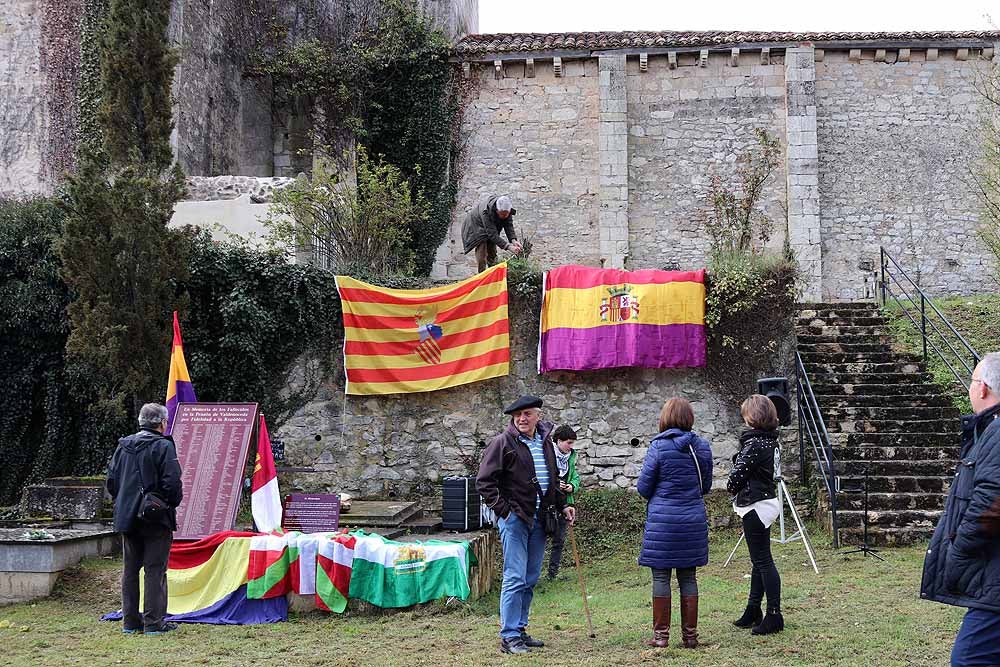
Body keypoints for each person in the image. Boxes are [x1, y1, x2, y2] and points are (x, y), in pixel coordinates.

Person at [477, 395, 575, 655]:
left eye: (528, 414)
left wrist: (563, 505)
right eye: (518, 415)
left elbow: (552, 479)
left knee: (530, 578)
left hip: (540, 519)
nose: (522, 418)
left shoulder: (546, 442)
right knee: (514, 577)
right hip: (515, 521)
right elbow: (484, 482)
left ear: (537, 416)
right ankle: (509, 636)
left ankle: (520, 629)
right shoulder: (502, 443)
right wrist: (505, 513)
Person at [921, 352, 1000, 667]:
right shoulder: (990, 430)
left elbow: (993, 501)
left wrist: (959, 548)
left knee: (970, 659)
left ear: (982, 388)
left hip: (994, 579)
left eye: (972, 381)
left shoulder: (998, 432)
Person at [637, 398, 714, 649]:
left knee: (661, 576)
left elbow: (643, 488)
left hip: (663, 523)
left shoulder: (658, 447)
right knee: (688, 576)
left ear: (665, 418)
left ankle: (661, 637)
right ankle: (690, 637)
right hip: (692, 519)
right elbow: (705, 486)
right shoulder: (701, 446)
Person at [106, 403, 184, 635]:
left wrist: (125, 502)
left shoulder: (123, 446)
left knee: (130, 570)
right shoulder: (163, 446)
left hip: (127, 516)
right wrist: (167, 504)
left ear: (141, 422)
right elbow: (172, 483)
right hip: (155, 517)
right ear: (162, 423)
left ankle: (130, 622)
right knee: (155, 569)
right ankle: (154, 623)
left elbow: (112, 482)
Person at [727, 394, 784, 635]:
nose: (744, 419)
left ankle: (774, 615)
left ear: (753, 417)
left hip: (755, 504)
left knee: (763, 561)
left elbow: (734, 481)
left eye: (746, 415)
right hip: (764, 502)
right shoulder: (770, 441)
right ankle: (753, 610)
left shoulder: (755, 444)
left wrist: (736, 466)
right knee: (759, 560)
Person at [547, 425, 581, 580]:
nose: (571, 446)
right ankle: (532, 575)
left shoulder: (571, 457)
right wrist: (555, 483)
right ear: (558, 441)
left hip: (565, 503)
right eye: (569, 442)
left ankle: (552, 574)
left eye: (572, 443)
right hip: (548, 503)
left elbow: (575, 476)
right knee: (540, 540)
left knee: (559, 540)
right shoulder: (548, 454)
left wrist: (572, 486)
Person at [461, 194, 523, 272]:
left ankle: (493, 274)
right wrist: (509, 247)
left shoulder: (507, 210)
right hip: (476, 227)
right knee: (482, 254)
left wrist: (513, 241)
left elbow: (508, 225)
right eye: (502, 214)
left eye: (506, 214)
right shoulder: (486, 212)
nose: (504, 216)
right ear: (497, 210)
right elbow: (492, 234)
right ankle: (482, 275)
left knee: (492, 253)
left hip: (489, 228)